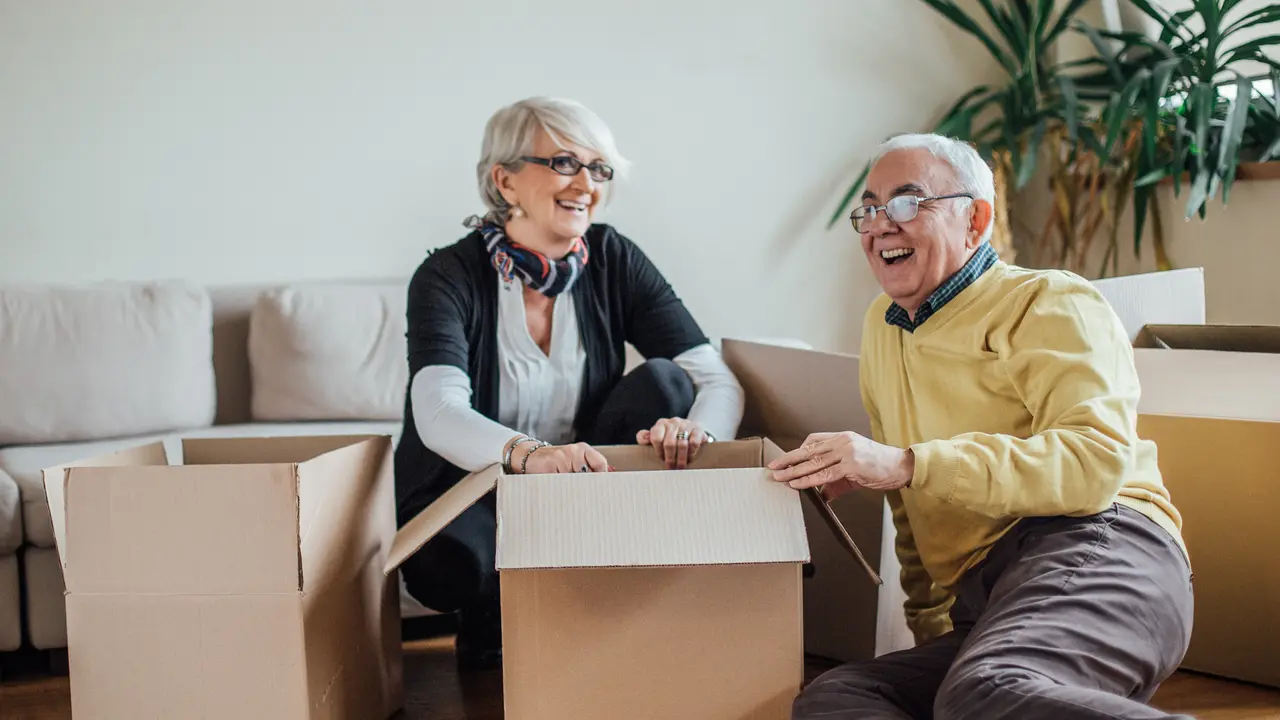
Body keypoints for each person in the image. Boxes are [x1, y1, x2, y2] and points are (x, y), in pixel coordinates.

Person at [770, 133, 1194, 719]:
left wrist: (907, 462)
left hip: (1104, 548)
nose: (880, 225)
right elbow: (912, 513)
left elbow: (1095, 463)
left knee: (983, 692)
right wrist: (929, 631)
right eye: (868, 209)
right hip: (990, 598)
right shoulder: (883, 328)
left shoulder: (1048, 300)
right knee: (838, 697)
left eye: (907, 202)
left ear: (976, 219)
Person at [393, 96, 745, 670]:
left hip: (585, 481)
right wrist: (527, 456)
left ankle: (605, 595)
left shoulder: (614, 258)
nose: (586, 183)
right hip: (475, 484)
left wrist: (695, 434)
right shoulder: (447, 275)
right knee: (450, 566)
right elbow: (436, 409)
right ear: (504, 181)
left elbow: (715, 380)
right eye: (562, 163)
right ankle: (490, 613)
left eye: (598, 168)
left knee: (667, 383)